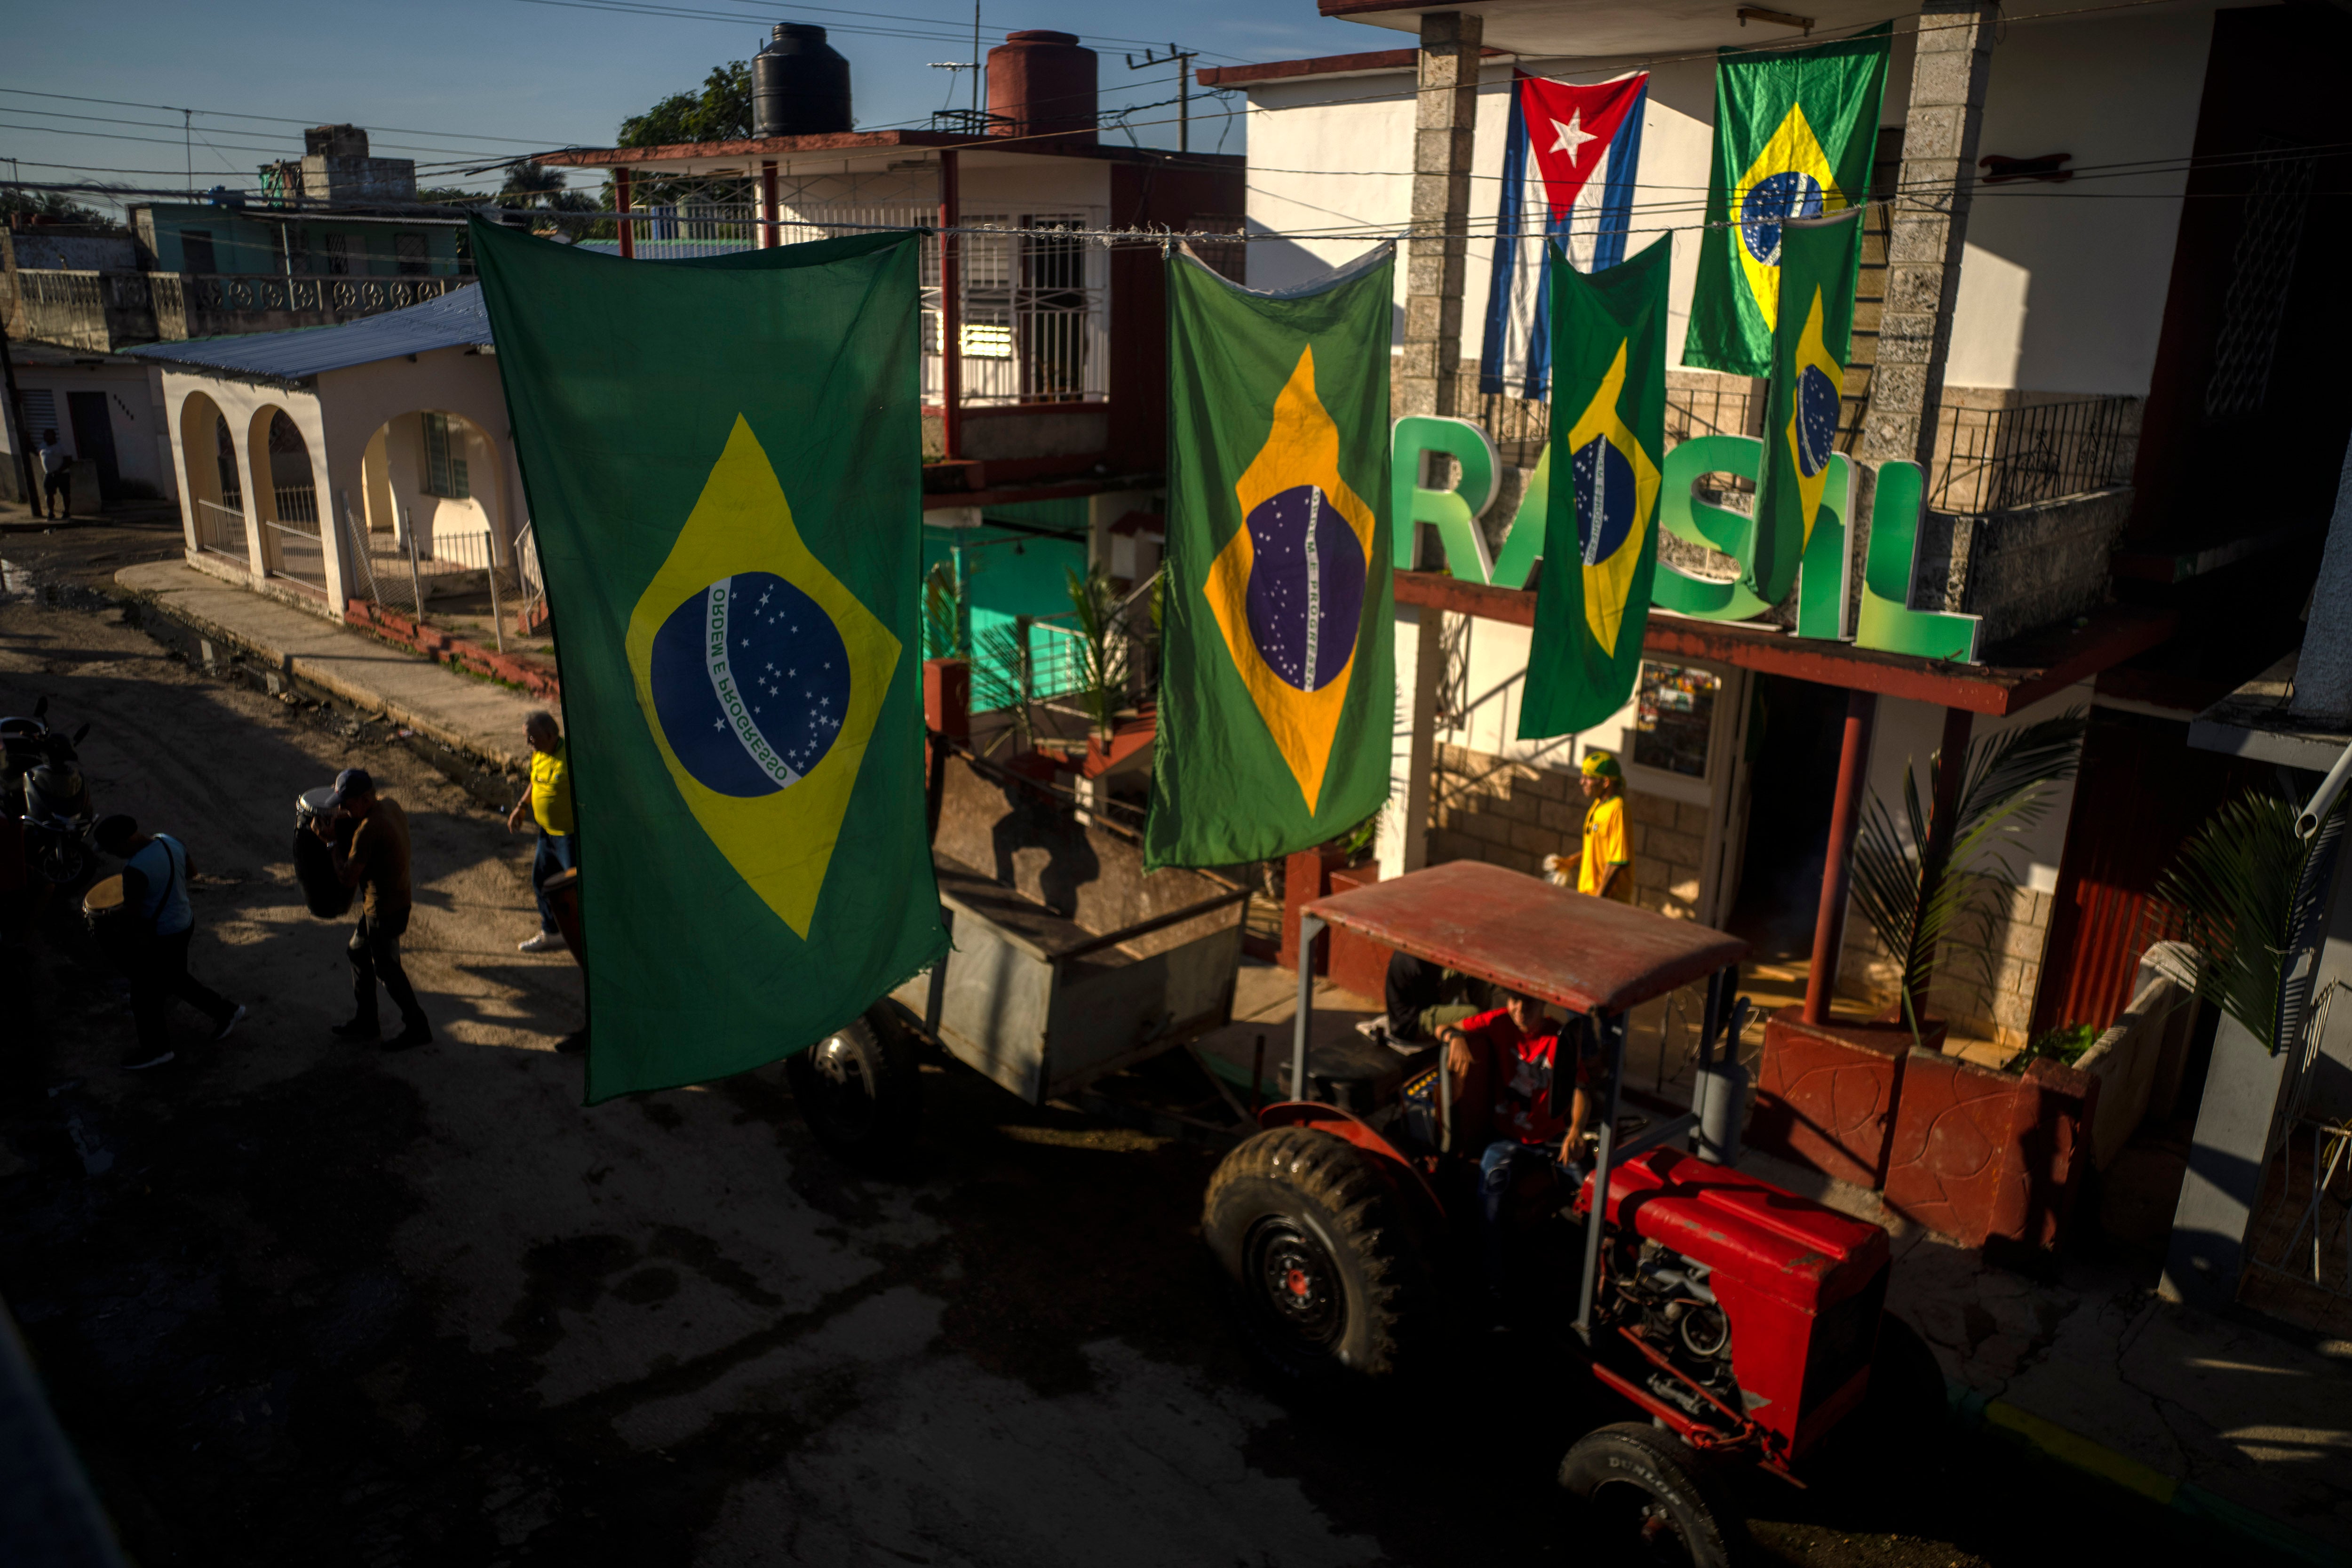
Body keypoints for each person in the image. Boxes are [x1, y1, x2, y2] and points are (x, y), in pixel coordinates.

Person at [1437, 992, 1591, 1298]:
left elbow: (1581, 1088)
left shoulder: (1559, 1038)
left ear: (1543, 1004)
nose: (1520, 1010)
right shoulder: (1498, 1021)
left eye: (1529, 1003)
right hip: (1507, 1137)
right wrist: (1455, 1037)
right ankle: (1494, 1282)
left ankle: (1594, 1273)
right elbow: (1443, 1027)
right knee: (1489, 1195)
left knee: (1593, 1189)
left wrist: (1576, 1130)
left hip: (1552, 1138)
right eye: (1514, 1001)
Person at [93, 814, 245, 1071]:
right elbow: (192, 874)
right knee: (175, 979)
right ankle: (227, 1012)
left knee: (144, 996)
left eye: (111, 848)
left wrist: (120, 932)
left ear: (125, 841)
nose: (111, 854)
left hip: (161, 935)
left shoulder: (135, 869)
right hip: (184, 923)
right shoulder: (169, 841)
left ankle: (157, 1050)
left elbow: (134, 915)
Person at [313, 767, 431, 1049]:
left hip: (384, 911)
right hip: (392, 901)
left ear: (365, 799)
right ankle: (367, 1020)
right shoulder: (389, 805)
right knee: (357, 951)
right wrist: (343, 815)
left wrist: (330, 842)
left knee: (388, 970)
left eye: (346, 803)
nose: (342, 809)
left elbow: (346, 877)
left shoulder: (368, 830)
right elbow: (363, 822)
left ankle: (418, 1027)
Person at [504, 709, 574, 953]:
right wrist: (522, 807)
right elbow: (535, 782)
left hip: (570, 838)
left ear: (551, 735)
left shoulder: (571, 758)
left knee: (577, 891)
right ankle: (552, 933)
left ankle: (587, 940)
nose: (528, 743)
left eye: (532, 737)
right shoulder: (539, 754)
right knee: (541, 881)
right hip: (547, 835)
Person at [1543, 752, 1633, 902]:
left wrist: (1598, 900)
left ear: (1605, 782)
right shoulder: (1598, 805)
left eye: (1588, 778)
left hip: (1608, 901)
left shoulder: (1618, 809)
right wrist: (1571, 861)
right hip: (1589, 895)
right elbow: (1599, 847)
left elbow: (1617, 862)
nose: (1581, 782)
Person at [38, 429, 71, 521]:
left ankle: (67, 512)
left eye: (48, 435)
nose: (46, 437)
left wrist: (59, 470)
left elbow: (69, 460)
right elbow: (36, 453)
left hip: (62, 474)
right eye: (45, 435)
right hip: (48, 474)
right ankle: (51, 512)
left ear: (54, 436)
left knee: (65, 494)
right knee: (49, 494)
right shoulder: (43, 446)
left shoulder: (61, 446)